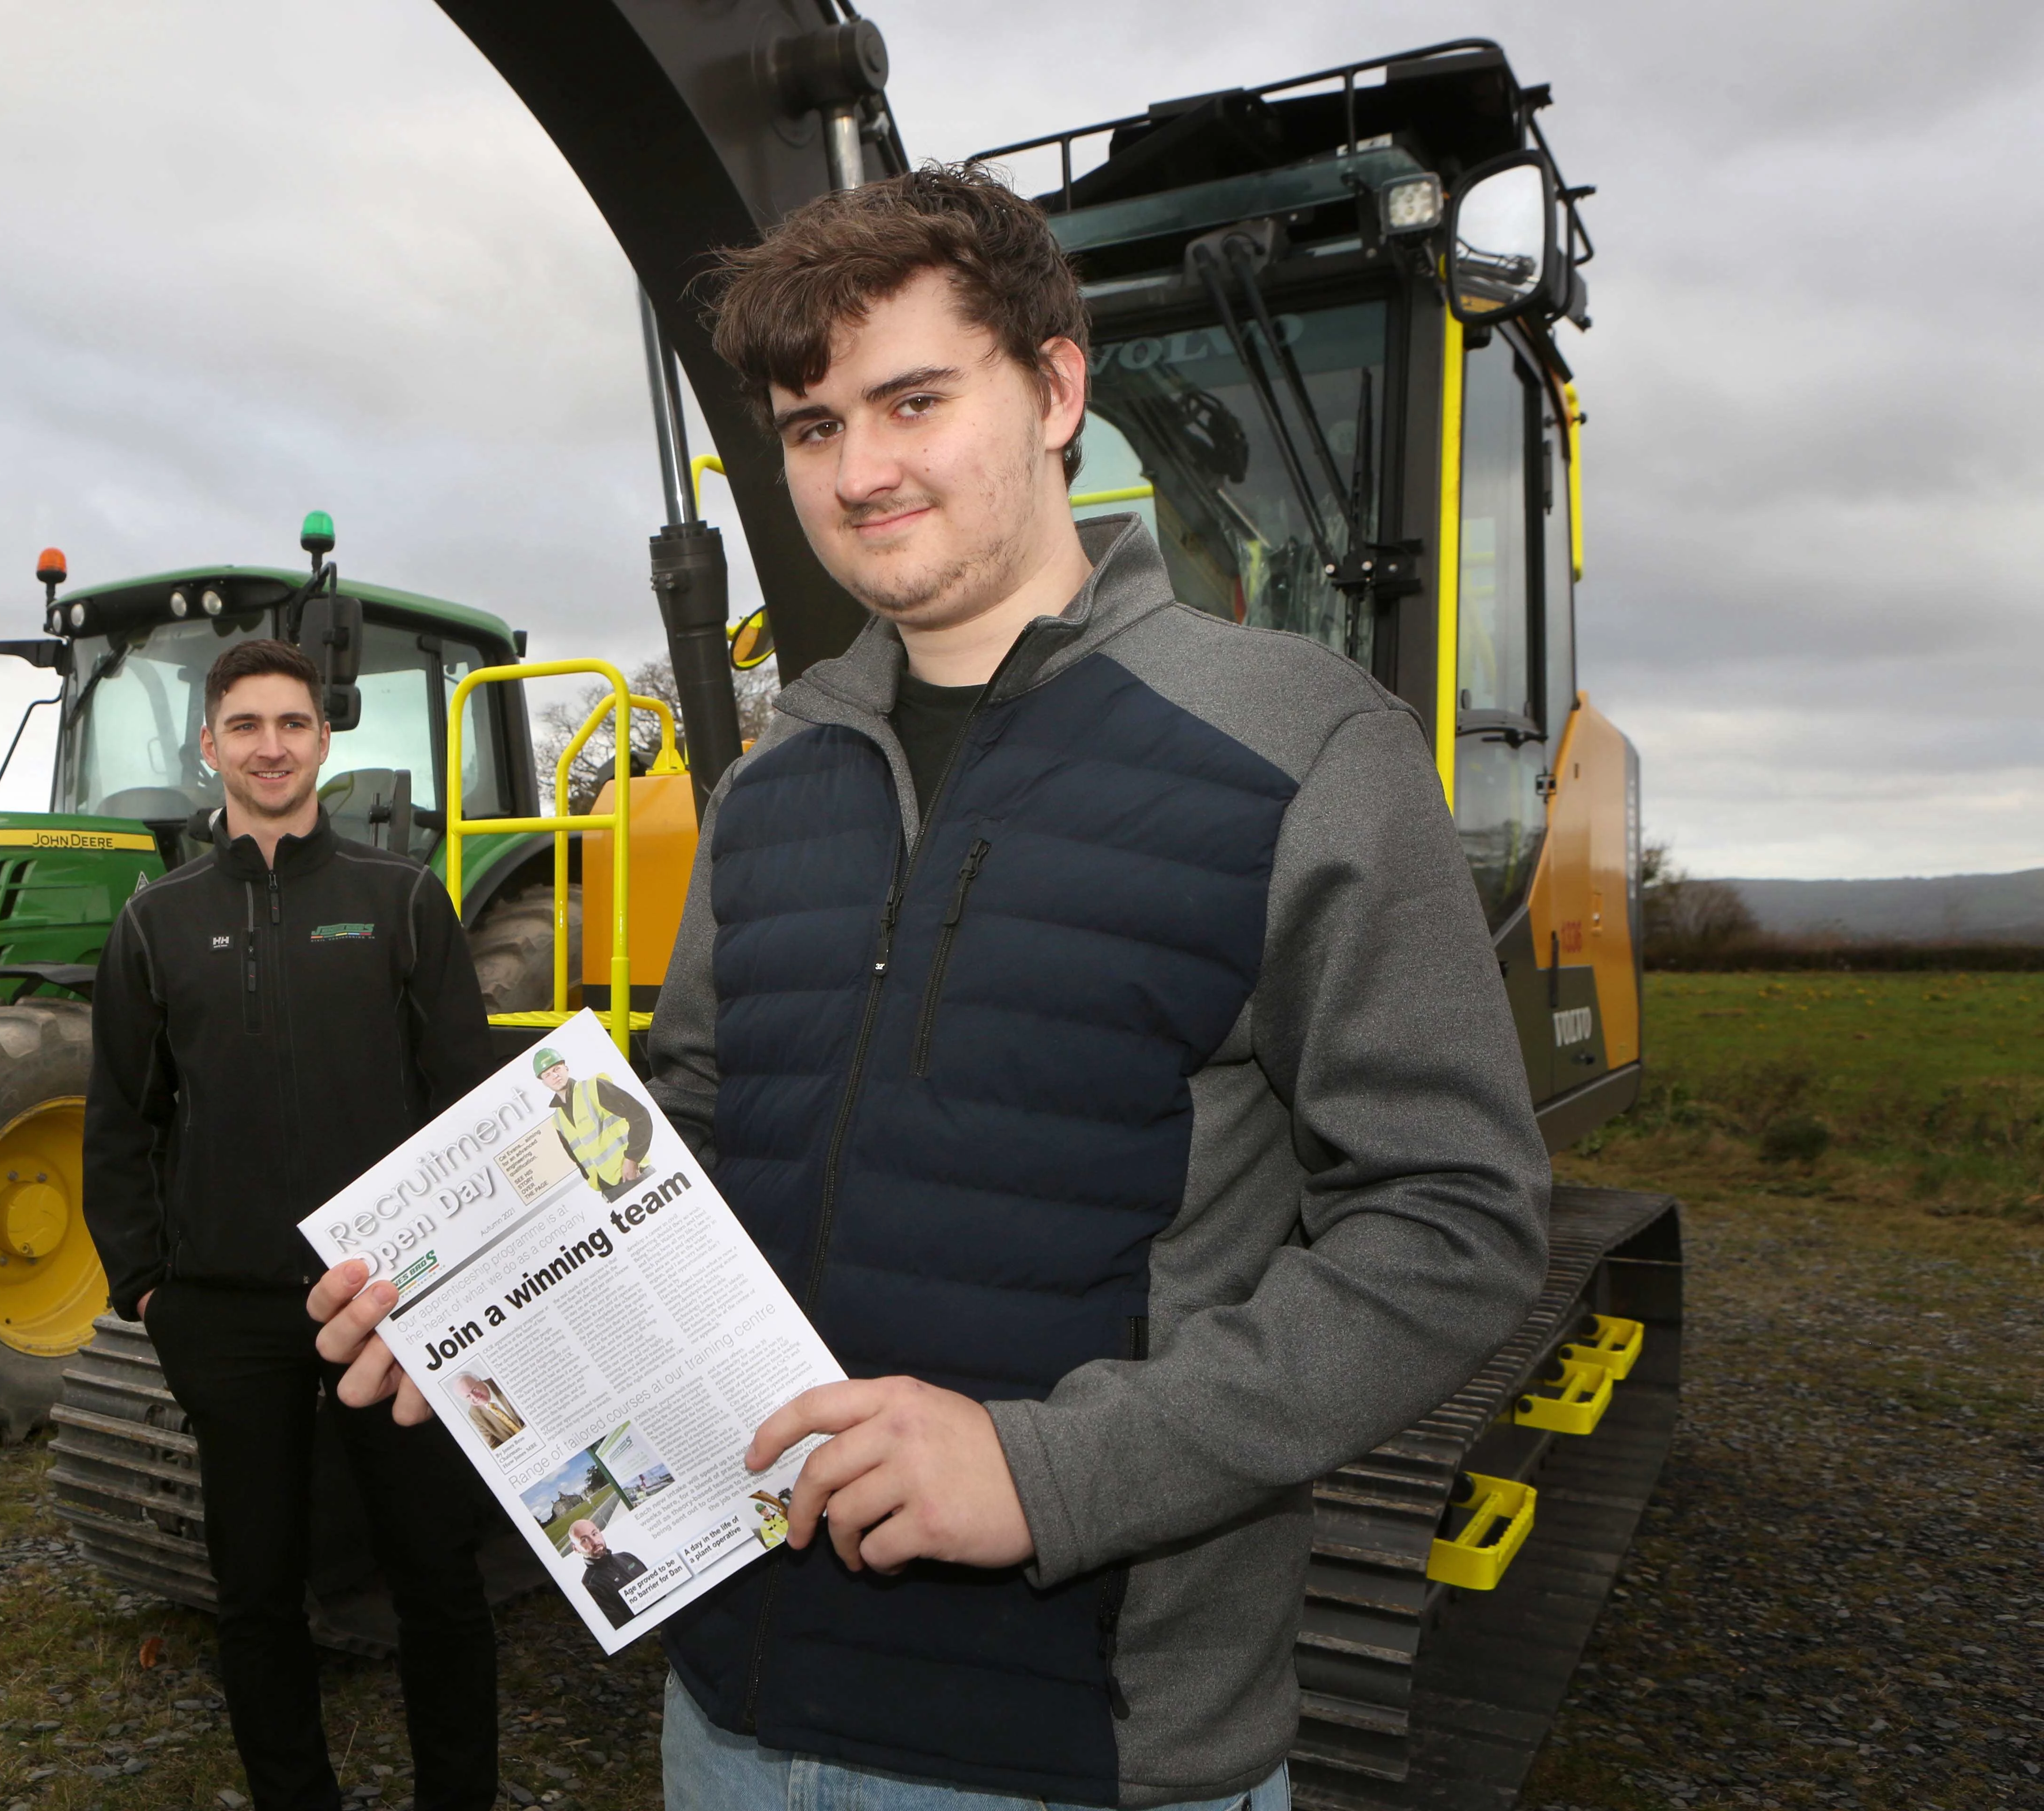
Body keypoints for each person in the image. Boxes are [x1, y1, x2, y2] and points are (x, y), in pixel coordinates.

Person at [314, 165, 1549, 1811]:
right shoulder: (774, 782)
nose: (860, 468)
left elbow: (1453, 1222)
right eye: (813, 428)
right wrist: (488, 1286)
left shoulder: (1301, 746)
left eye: (913, 400)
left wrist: (1050, 1471)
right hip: (736, 1717)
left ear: (1053, 389)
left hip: (1083, 1752)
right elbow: (697, 1123)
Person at [83, 637, 500, 1811]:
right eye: (246, 725)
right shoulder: (156, 922)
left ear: (325, 740)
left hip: (393, 1305)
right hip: (228, 1313)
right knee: (255, 1589)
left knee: (435, 1571)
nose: (270, 745)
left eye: (292, 724)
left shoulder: (402, 900)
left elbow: (469, 1107)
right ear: (207, 746)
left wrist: (457, 1285)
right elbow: (120, 1119)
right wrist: (150, 1291)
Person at [532, 1046, 652, 1199]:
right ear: (544, 1083)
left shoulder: (594, 1088)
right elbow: (577, 1158)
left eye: (557, 1069)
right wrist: (597, 1184)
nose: (554, 1076)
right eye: (547, 1074)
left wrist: (632, 1160)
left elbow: (640, 1115)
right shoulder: (558, 1120)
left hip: (634, 1175)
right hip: (610, 1191)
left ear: (566, 1069)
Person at [566, 1519, 648, 1629]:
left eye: (595, 1534)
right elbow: (622, 1627)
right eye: (585, 1540)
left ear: (600, 1533)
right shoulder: (589, 1586)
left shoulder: (627, 1557)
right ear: (576, 1549)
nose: (595, 1542)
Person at [449, 1371, 524, 1449]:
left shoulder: (500, 1381)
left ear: (480, 1381)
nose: (475, 1397)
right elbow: (494, 1445)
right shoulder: (474, 1415)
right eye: (468, 1396)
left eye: (474, 1390)